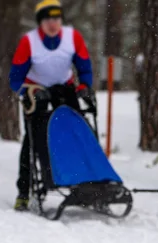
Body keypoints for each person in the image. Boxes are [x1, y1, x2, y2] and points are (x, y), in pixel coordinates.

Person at [9, 0, 95, 211]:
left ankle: (87, 182)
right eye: (47, 19)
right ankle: (24, 191)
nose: (52, 23)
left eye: (56, 18)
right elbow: (15, 80)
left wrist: (84, 86)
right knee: (33, 139)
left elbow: (84, 67)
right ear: (40, 22)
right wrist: (30, 92)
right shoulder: (29, 42)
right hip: (36, 92)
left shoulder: (72, 37)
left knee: (78, 131)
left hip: (64, 89)